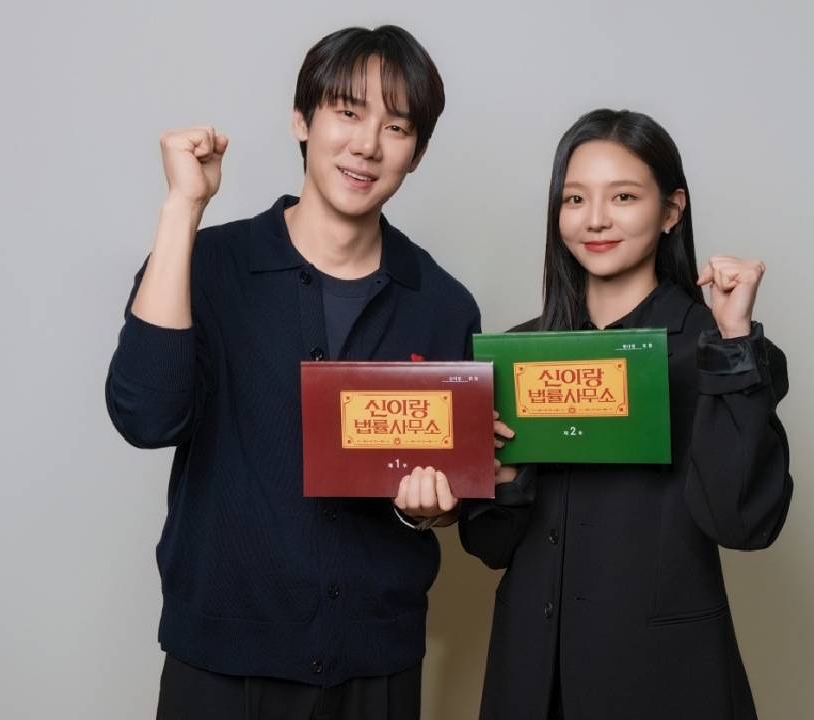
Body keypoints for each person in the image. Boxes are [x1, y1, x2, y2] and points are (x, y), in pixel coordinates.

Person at [105, 25, 482, 720]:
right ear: (301, 120)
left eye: (396, 127)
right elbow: (146, 416)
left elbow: (445, 482)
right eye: (347, 112)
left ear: (418, 152)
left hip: (376, 665)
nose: (367, 145)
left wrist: (429, 509)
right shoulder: (204, 265)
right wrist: (183, 208)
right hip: (220, 662)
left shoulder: (444, 305)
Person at [459, 108, 794, 719]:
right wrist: (501, 479)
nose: (595, 219)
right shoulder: (518, 353)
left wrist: (733, 337)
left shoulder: (719, 349)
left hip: (662, 682)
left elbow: (744, 523)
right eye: (575, 198)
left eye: (623, 196)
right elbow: (489, 544)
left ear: (671, 210)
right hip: (531, 681)